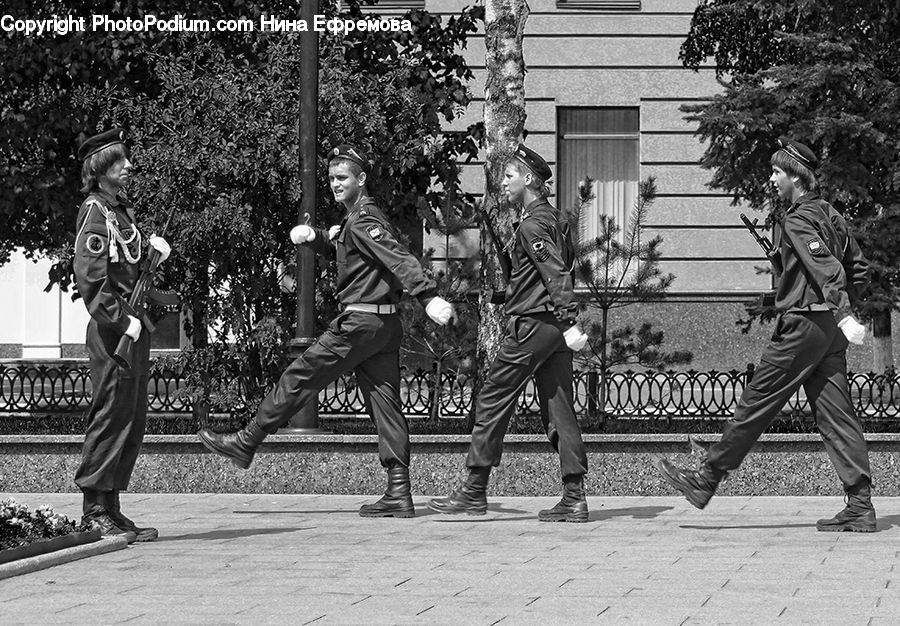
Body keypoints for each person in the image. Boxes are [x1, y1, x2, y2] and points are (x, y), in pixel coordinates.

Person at [198, 145, 454, 518]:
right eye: (332, 178)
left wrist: (428, 295)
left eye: (342, 178)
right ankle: (399, 491)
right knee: (386, 405)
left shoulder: (365, 220)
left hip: (359, 324)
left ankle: (247, 440)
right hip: (382, 326)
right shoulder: (357, 222)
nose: (335, 184)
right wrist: (316, 237)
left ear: (361, 180)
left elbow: (397, 257)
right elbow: (352, 251)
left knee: (299, 375)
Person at [656, 136, 876, 533]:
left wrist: (840, 309)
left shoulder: (796, 219)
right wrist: (840, 312)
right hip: (827, 330)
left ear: (796, 175)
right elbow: (857, 269)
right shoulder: (832, 215)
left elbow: (828, 268)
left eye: (777, 172)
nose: (771, 179)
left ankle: (706, 478)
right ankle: (860, 504)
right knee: (836, 414)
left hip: (804, 326)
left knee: (756, 402)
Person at [428, 144, 591, 522]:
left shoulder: (533, 224)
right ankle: (574, 495)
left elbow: (555, 273)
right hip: (550, 325)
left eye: (509, 176)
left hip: (535, 324)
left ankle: (473, 490)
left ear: (529, 180)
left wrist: (569, 319)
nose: (502, 182)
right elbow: (542, 273)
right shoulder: (557, 219)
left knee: (492, 399)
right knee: (559, 407)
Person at [74, 128, 172, 543]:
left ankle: (111, 505)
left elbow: (127, 269)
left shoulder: (119, 212)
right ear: (100, 169)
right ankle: (94, 507)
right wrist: (121, 319)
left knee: (131, 417)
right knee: (110, 412)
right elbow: (91, 280)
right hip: (114, 331)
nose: (128, 166)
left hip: (132, 326)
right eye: (120, 162)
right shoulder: (95, 212)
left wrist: (154, 256)